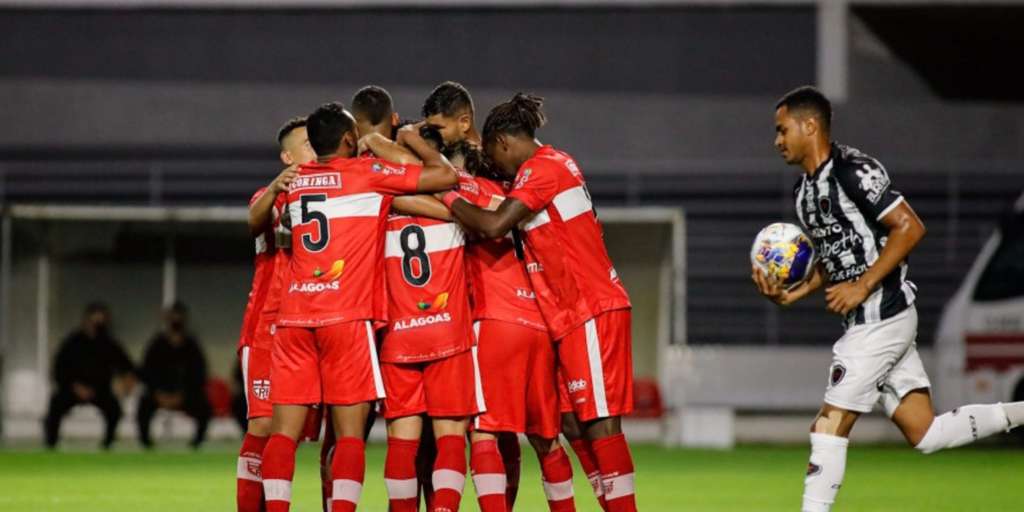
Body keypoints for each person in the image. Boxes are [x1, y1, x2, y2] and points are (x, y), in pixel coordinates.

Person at [753, 85, 1024, 512]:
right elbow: (837, 257)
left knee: (828, 426)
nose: (777, 140)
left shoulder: (853, 171)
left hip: (880, 318)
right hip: (873, 321)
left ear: (810, 126)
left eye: (782, 129)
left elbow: (910, 227)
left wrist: (863, 286)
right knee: (926, 433)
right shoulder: (803, 194)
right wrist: (793, 294)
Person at [441, 93, 638, 512]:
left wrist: (448, 197)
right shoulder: (554, 164)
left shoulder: (543, 168)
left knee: (600, 423)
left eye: (493, 153)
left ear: (503, 142)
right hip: (565, 317)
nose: (495, 165)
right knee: (570, 423)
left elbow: (494, 225)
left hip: (590, 307)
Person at [259, 101, 457, 512]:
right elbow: (445, 175)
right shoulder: (367, 174)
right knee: (350, 435)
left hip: (294, 319)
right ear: (350, 138)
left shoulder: (295, 182)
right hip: (346, 319)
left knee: (282, 435)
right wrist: (387, 143)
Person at [236, 116, 314, 512]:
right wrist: (275, 187)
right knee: (263, 426)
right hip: (267, 329)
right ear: (287, 157)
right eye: (307, 144)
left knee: (293, 434)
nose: (315, 148)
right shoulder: (271, 197)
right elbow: (254, 221)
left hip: (311, 328)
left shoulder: (335, 194)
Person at [44, 302, 135, 449]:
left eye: (101, 321)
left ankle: (107, 445)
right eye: (94, 320)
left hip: (100, 391)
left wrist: (127, 382)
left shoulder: (109, 344)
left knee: (114, 409)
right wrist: (75, 387)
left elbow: (127, 366)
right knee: (56, 405)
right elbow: (58, 370)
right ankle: (50, 444)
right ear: (85, 320)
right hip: (72, 389)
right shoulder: (72, 343)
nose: (97, 325)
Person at [136, 301, 212, 449]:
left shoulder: (192, 346)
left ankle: (196, 445)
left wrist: (182, 395)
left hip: (185, 395)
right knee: (143, 405)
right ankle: (146, 445)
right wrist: (158, 393)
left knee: (204, 407)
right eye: (173, 316)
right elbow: (146, 372)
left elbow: (199, 374)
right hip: (158, 394)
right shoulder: (157, 344)